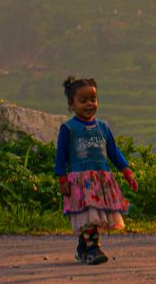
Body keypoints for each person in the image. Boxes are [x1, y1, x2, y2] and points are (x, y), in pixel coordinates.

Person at [56, 75, 138, 265]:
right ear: (71, 104)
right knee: (89, 213)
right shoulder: (68, 128)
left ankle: (83, 248)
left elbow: (114, 152)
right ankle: (93, 249)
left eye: (93, 99)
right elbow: (61, 155)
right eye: (83, 100)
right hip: (80, 182)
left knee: (93, 215)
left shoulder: (102, 127)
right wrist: (62, 179)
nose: (89, 104)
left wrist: (127, 171)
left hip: (100, 180)